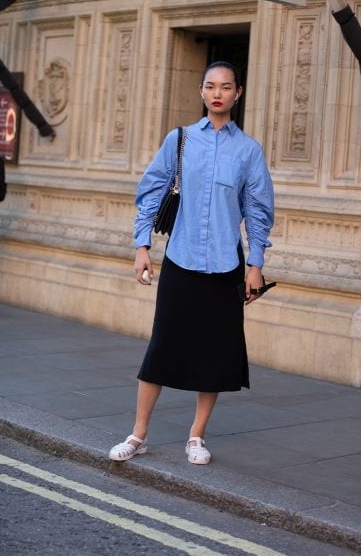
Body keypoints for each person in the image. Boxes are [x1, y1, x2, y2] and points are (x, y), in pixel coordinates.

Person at [109, 61, 275, 465]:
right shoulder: (179, 139)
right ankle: (138, 435)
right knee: (162, 346)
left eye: (226, 87)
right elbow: (152, 191)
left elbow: (257, 211)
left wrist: (255, 264)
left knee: (215, 352)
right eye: (210, 86)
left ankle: (197, 436)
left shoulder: (248, 151)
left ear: (238, 93)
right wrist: (141, 246)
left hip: (225, 265)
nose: (218, 93)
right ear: (201, 92)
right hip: (181, 259)